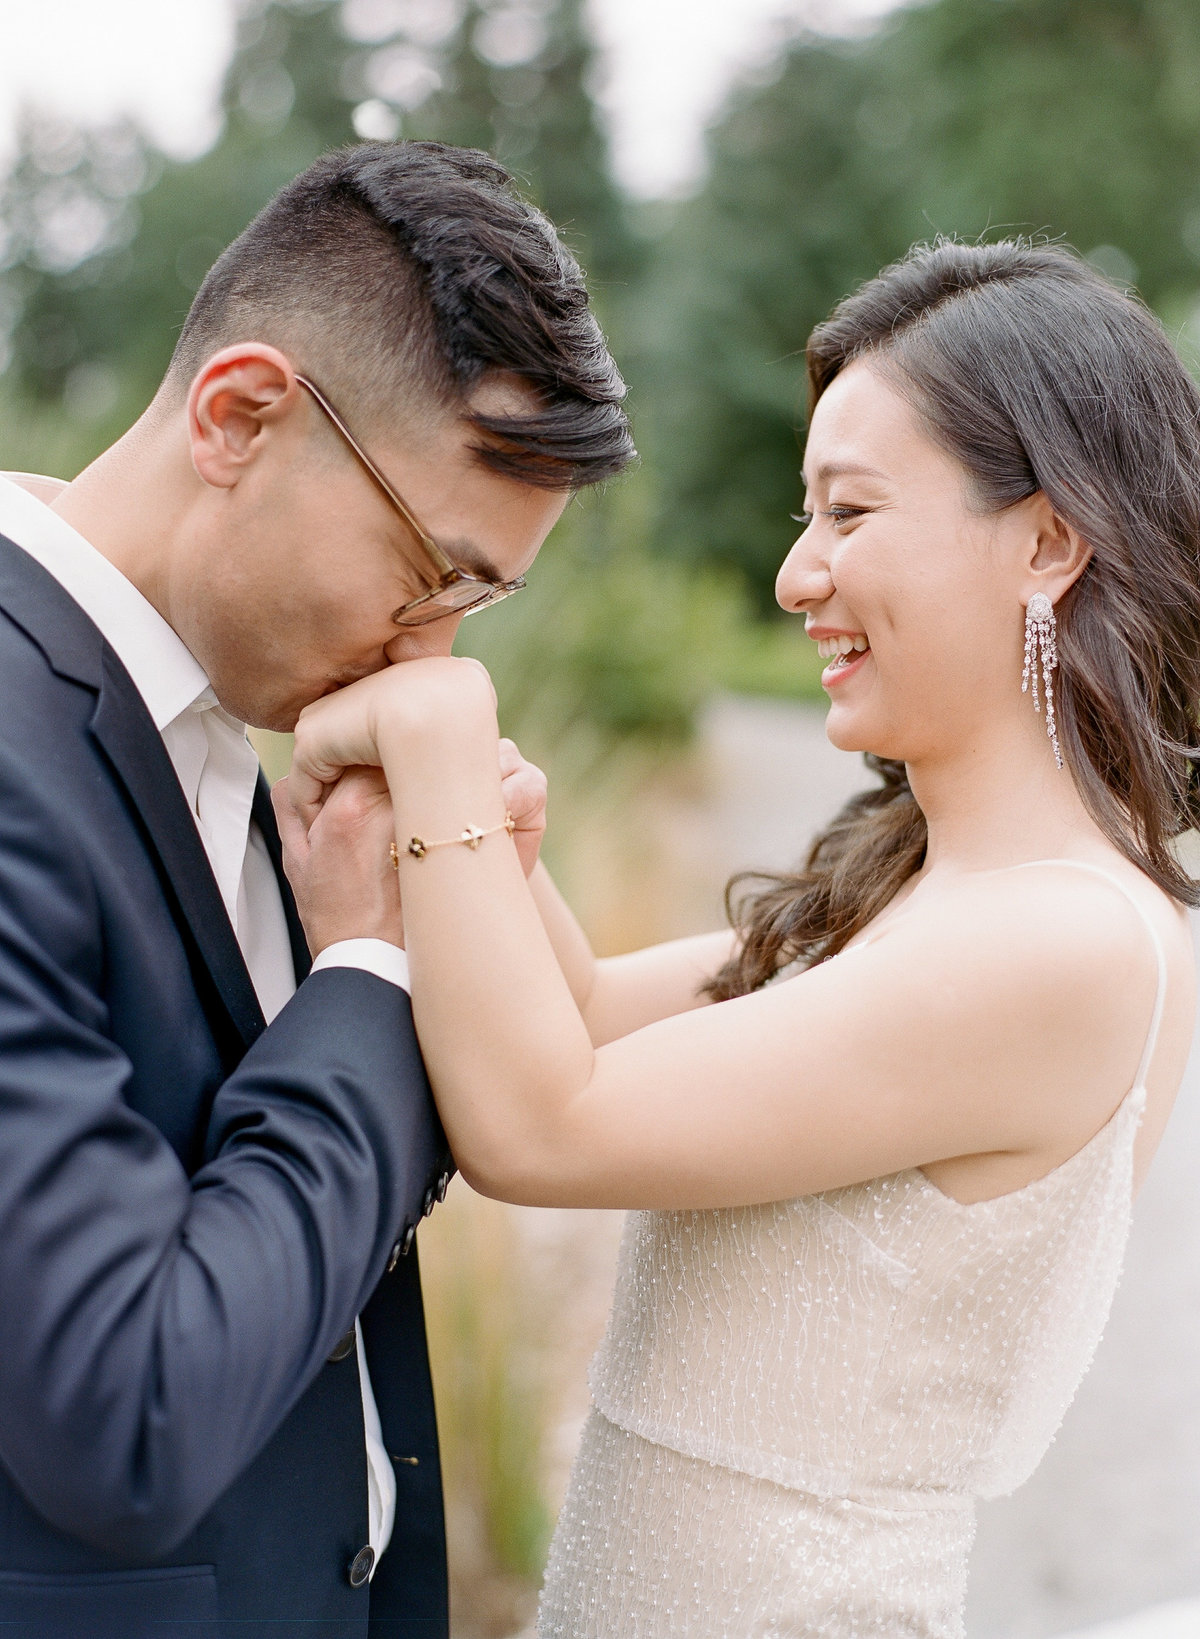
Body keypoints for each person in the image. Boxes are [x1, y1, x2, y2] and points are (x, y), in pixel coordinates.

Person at [279, 239, 1200, 1638]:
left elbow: (543, 1127)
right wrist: (460, 764)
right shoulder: (917, 893)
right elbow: (578, 1019)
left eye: (849, 513)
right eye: (804, 516)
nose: (795, 575)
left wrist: (435, 744)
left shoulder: (1066, 946)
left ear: (1051, 540)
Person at [0, 140, 632, 1638]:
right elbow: (127, 1410)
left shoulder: (251, 741)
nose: (433, 662)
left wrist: (450, 923)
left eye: (473, 606)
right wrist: (366, 979)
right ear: (241, 415)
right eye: (426, 575)